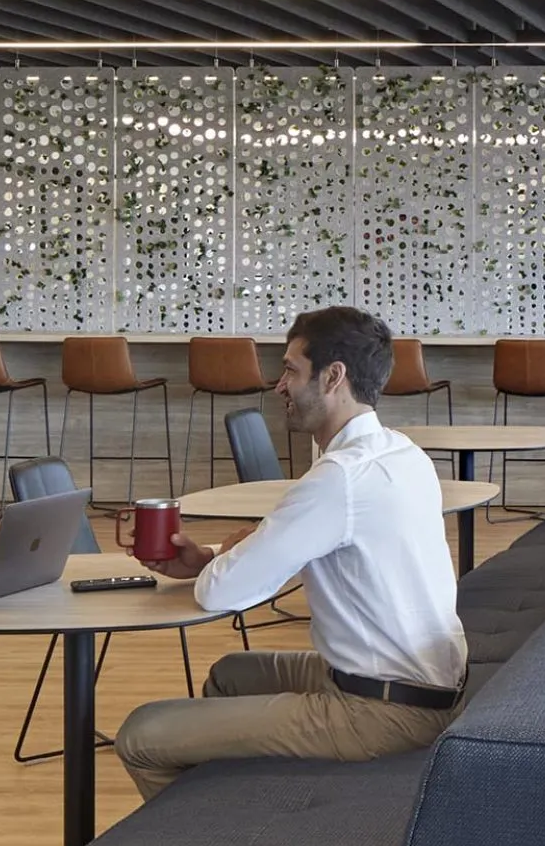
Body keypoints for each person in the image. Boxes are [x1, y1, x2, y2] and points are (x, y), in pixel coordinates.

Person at [113, 305, 470, 798]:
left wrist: (221, 565)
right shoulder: (400, 453)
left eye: (290, 369)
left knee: (142, 734)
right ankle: (245, 809)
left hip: (383, 713)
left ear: (333, 377)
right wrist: (209, 558)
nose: (279, 385)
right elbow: (310, 555)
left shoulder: (339, 478)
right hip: (423, 687)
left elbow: (222, 593)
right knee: (232, 675)